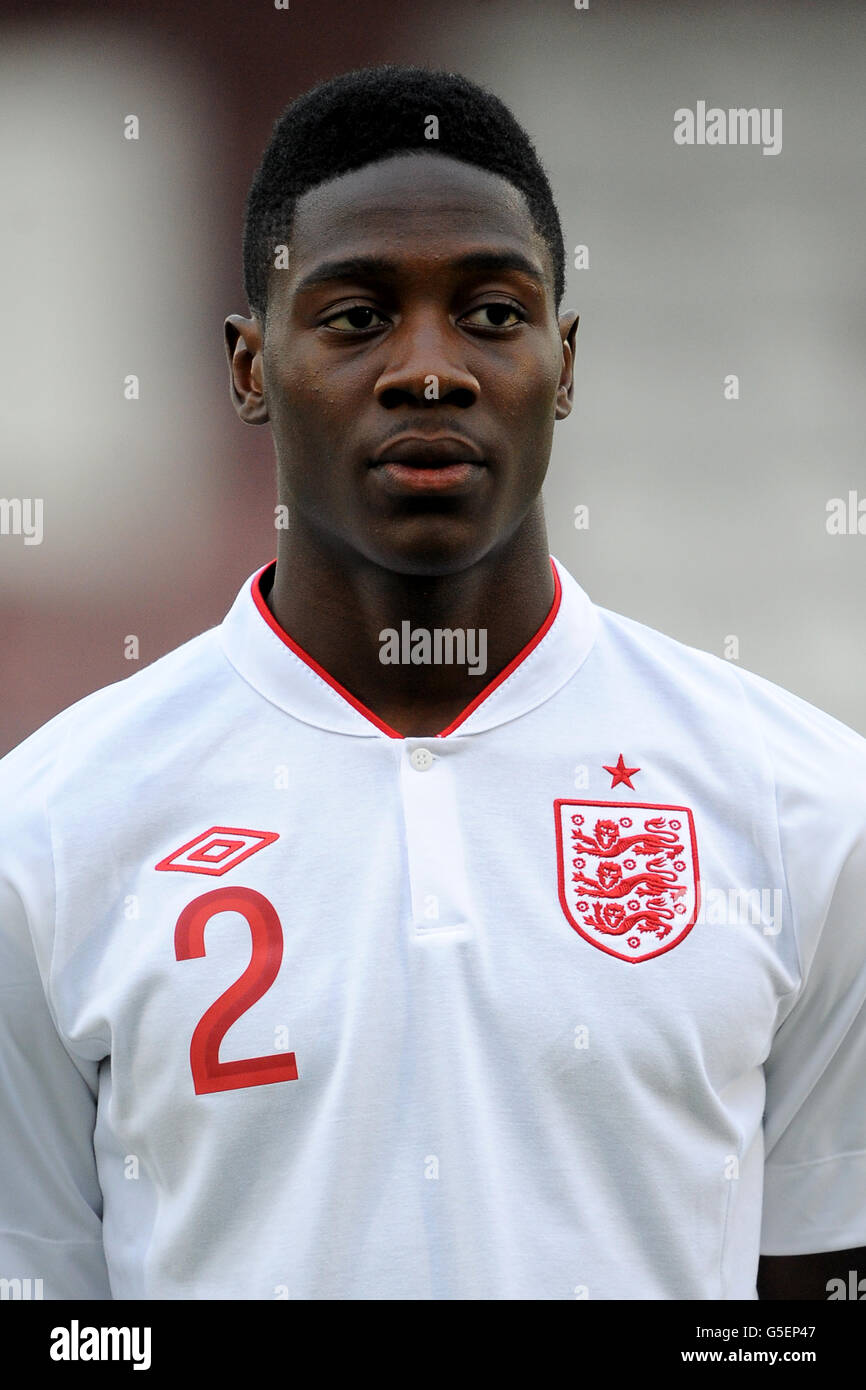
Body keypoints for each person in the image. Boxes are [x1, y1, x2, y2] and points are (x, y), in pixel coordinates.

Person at [0, 65, 864, 1302]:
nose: (428, 370)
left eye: (493, 315)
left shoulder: (804, 808)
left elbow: (818, 1290)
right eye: (355, 317)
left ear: (562, 364)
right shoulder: (47, 831)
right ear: (249, 366)